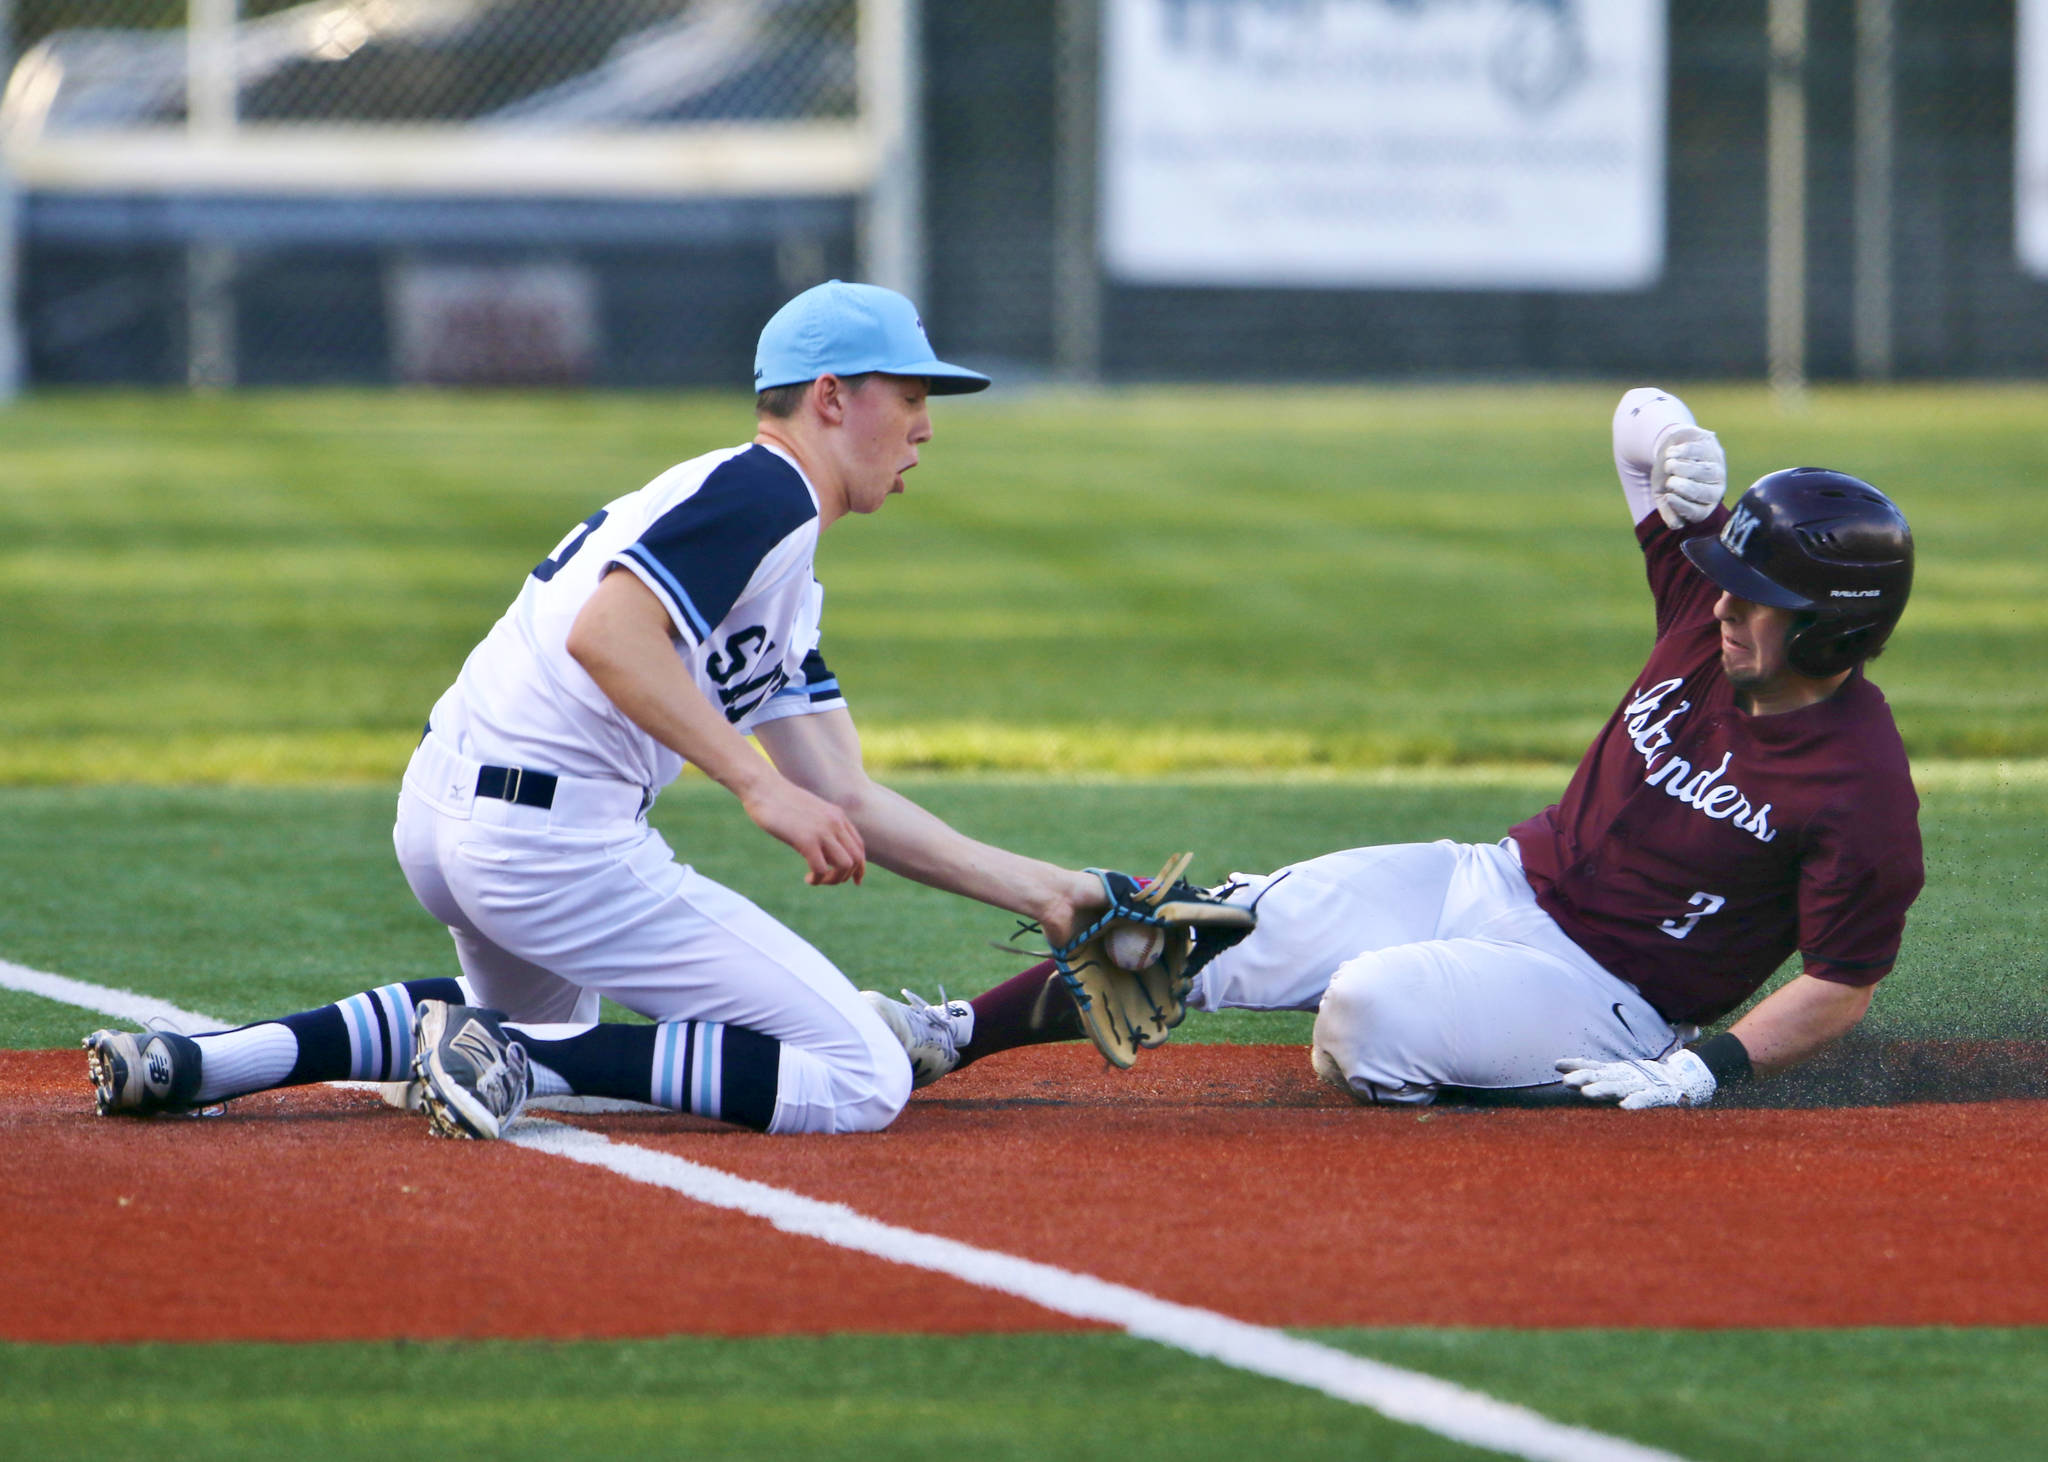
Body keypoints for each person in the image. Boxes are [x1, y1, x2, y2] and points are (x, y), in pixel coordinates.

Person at [86, 280, 1117, 1138]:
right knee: (859, 1077)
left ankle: (201, 1060)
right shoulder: (768, 493)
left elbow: (842, 790)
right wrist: (755, 786)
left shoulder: (774, 557)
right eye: (908, 392)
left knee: (519, 1024)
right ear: (830, 396)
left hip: (452, 817)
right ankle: (516, 1055)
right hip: (551, 842)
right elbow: (610, 635)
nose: (927, 424)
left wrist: (1047, 891)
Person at [872, 388, 1923, 1108]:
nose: (1728, 606)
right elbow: (1632, 422)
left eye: (1762, 599)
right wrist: (1680, 440)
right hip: (1493, 874)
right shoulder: (1706, 610)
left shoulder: (1858, 784)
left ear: (1833, 628)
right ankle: (948, 1035)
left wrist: (1708, 1069)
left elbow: (1841, 980)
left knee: (1366, 1013)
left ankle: (1549, 1071)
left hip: (1610, 993)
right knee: (1195, 928)